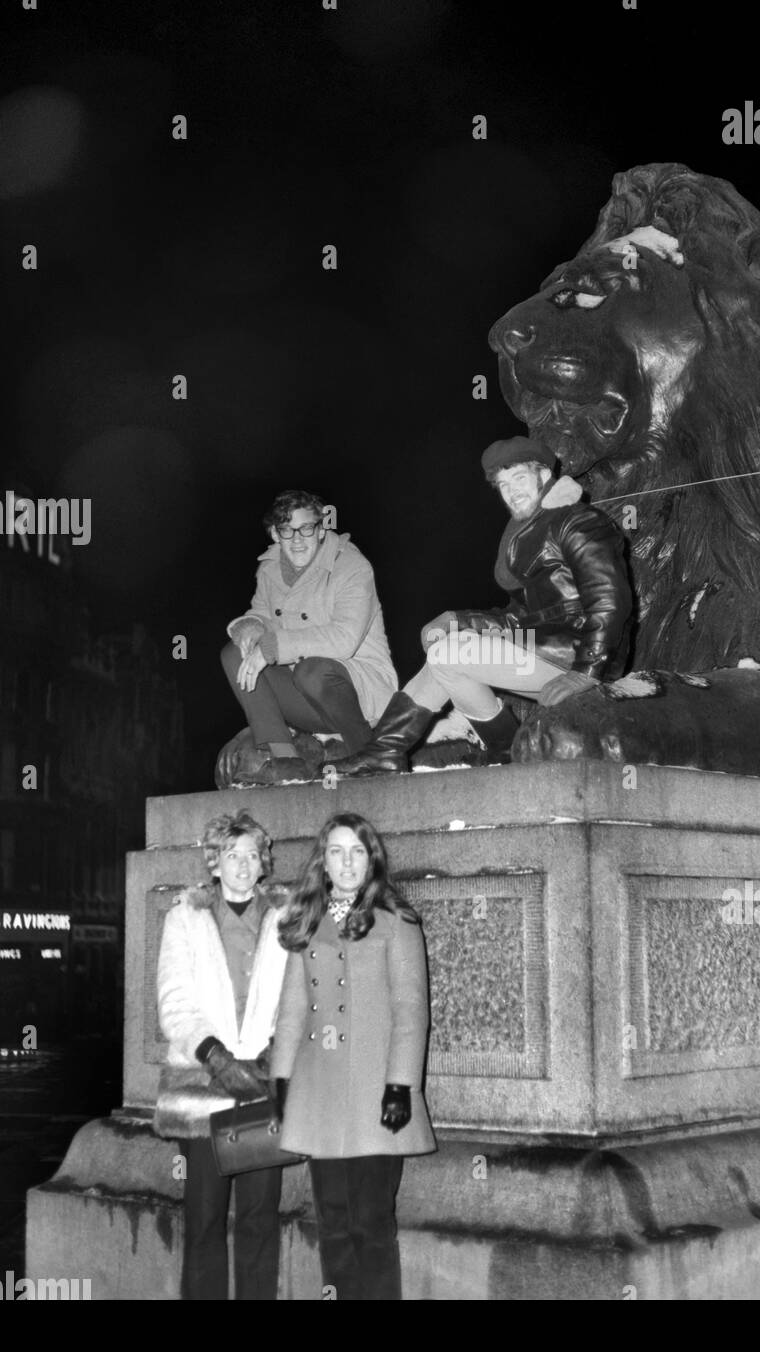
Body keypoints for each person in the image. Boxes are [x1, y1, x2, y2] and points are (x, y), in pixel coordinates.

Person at [335, 437, 632, 775]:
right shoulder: (525, 531)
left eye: (519, 478)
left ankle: (506, 746)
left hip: (576, 655)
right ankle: (385, 750)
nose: (511, 492)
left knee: (448, 656)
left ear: (543, 474)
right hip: (540, 646)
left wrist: (587, 671)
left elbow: (610, 598)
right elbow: (519, 618)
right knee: (443, 659)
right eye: (503, 485)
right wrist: (458, 620)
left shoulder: (578, 521)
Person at [270, 812, 435, 1300]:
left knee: (371, 1225)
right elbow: (293, 1009)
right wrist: (280, 1080)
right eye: (337, 851)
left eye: (357, 852)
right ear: (323, 861)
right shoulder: (308, 923)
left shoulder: (397, 921)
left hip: (375, 1095)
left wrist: (401, 1084)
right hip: (320, 1096)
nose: (347, 862)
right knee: (333, 1226)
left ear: (371, 861)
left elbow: (411, 1010)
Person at [154, 809, 291, 1300]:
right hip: (205, 1086)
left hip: (260, 1083)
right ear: (214, 862)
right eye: (233, 855)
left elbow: (300, 997)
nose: (243, 864)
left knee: (259, 1219)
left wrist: (271, 1058)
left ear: (263, 865)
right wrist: (215, 1057)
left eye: (253, 855)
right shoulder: (184, 918)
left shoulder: (286, 917)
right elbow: (174, 1001)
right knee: (205, 1219)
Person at [222, 489, 398, 784]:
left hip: (357, 692)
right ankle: (286, 760)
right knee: (233, 653)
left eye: (306, 528)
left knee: (312, 670)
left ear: (320, 529)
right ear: (275, 535)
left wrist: (275, 646)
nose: (297, 539)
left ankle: (368, 752)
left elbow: (345, 638)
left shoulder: (351, 566)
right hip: (304, 697)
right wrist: (249, 627)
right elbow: (261, 613)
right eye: (287, 531)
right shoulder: (269, 569)